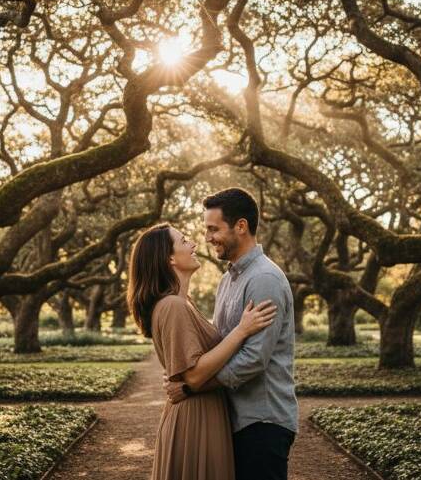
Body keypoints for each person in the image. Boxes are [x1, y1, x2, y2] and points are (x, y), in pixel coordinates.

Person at [127, 222, 277, 480]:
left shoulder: (182, 303)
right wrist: (242, 330)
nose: (194, 243)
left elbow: (187, 372)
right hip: (195, 419)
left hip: (202, 412)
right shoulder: (173, 306)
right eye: (184, 240)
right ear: (170, 258)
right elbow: (194, 375)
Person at [166, 187, 298, 480]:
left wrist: (193, 385)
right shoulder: (228, 280)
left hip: (262, 422)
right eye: (206, 229)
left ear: (241, 226)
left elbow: (254, 359)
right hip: (233, 420)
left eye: (214, 229)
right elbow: (221, 341)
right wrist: (187, 370)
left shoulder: (264, 279)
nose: (207, 237)